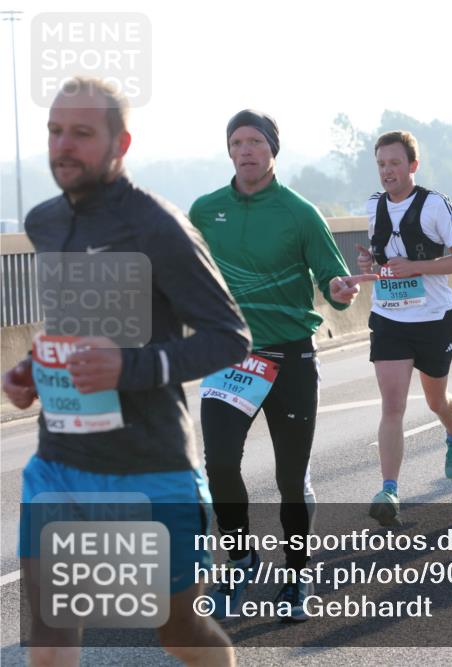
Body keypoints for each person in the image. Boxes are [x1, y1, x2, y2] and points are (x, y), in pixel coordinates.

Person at [4, 77, 248, 666]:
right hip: (58, 465)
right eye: (55, 131)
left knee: (181, 634)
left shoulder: (157, 227)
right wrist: (36, 369)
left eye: (82, 134)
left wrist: (126, 367)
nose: (63, 145)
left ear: (121, 143)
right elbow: (76, 327)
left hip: (149, 468)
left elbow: (229, 338)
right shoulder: (43, 222)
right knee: (50, 643)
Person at [189, 109, 373, 622]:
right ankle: (241, 555)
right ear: (228, 151)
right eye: (237, 142)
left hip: (291, 354)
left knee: (291, 478)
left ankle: (297, 573)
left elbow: (334, 281)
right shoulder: (205, 210)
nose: (245, 149)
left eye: (254, 141)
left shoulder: (299, 212)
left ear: (272, 149)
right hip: (231, 356)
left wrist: (339, 291)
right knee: (221, 463)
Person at [355, 131, 452, 527]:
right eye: (381, 164)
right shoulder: (373, 206)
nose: (387, 171)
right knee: (393, 405)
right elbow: (381, 259)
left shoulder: (435, 205)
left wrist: (418, 266)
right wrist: (370, 265)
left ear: (412, 165)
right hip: (389, 317)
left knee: (436, 400)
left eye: (394, 163)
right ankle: (389, 489)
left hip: (434, 319)